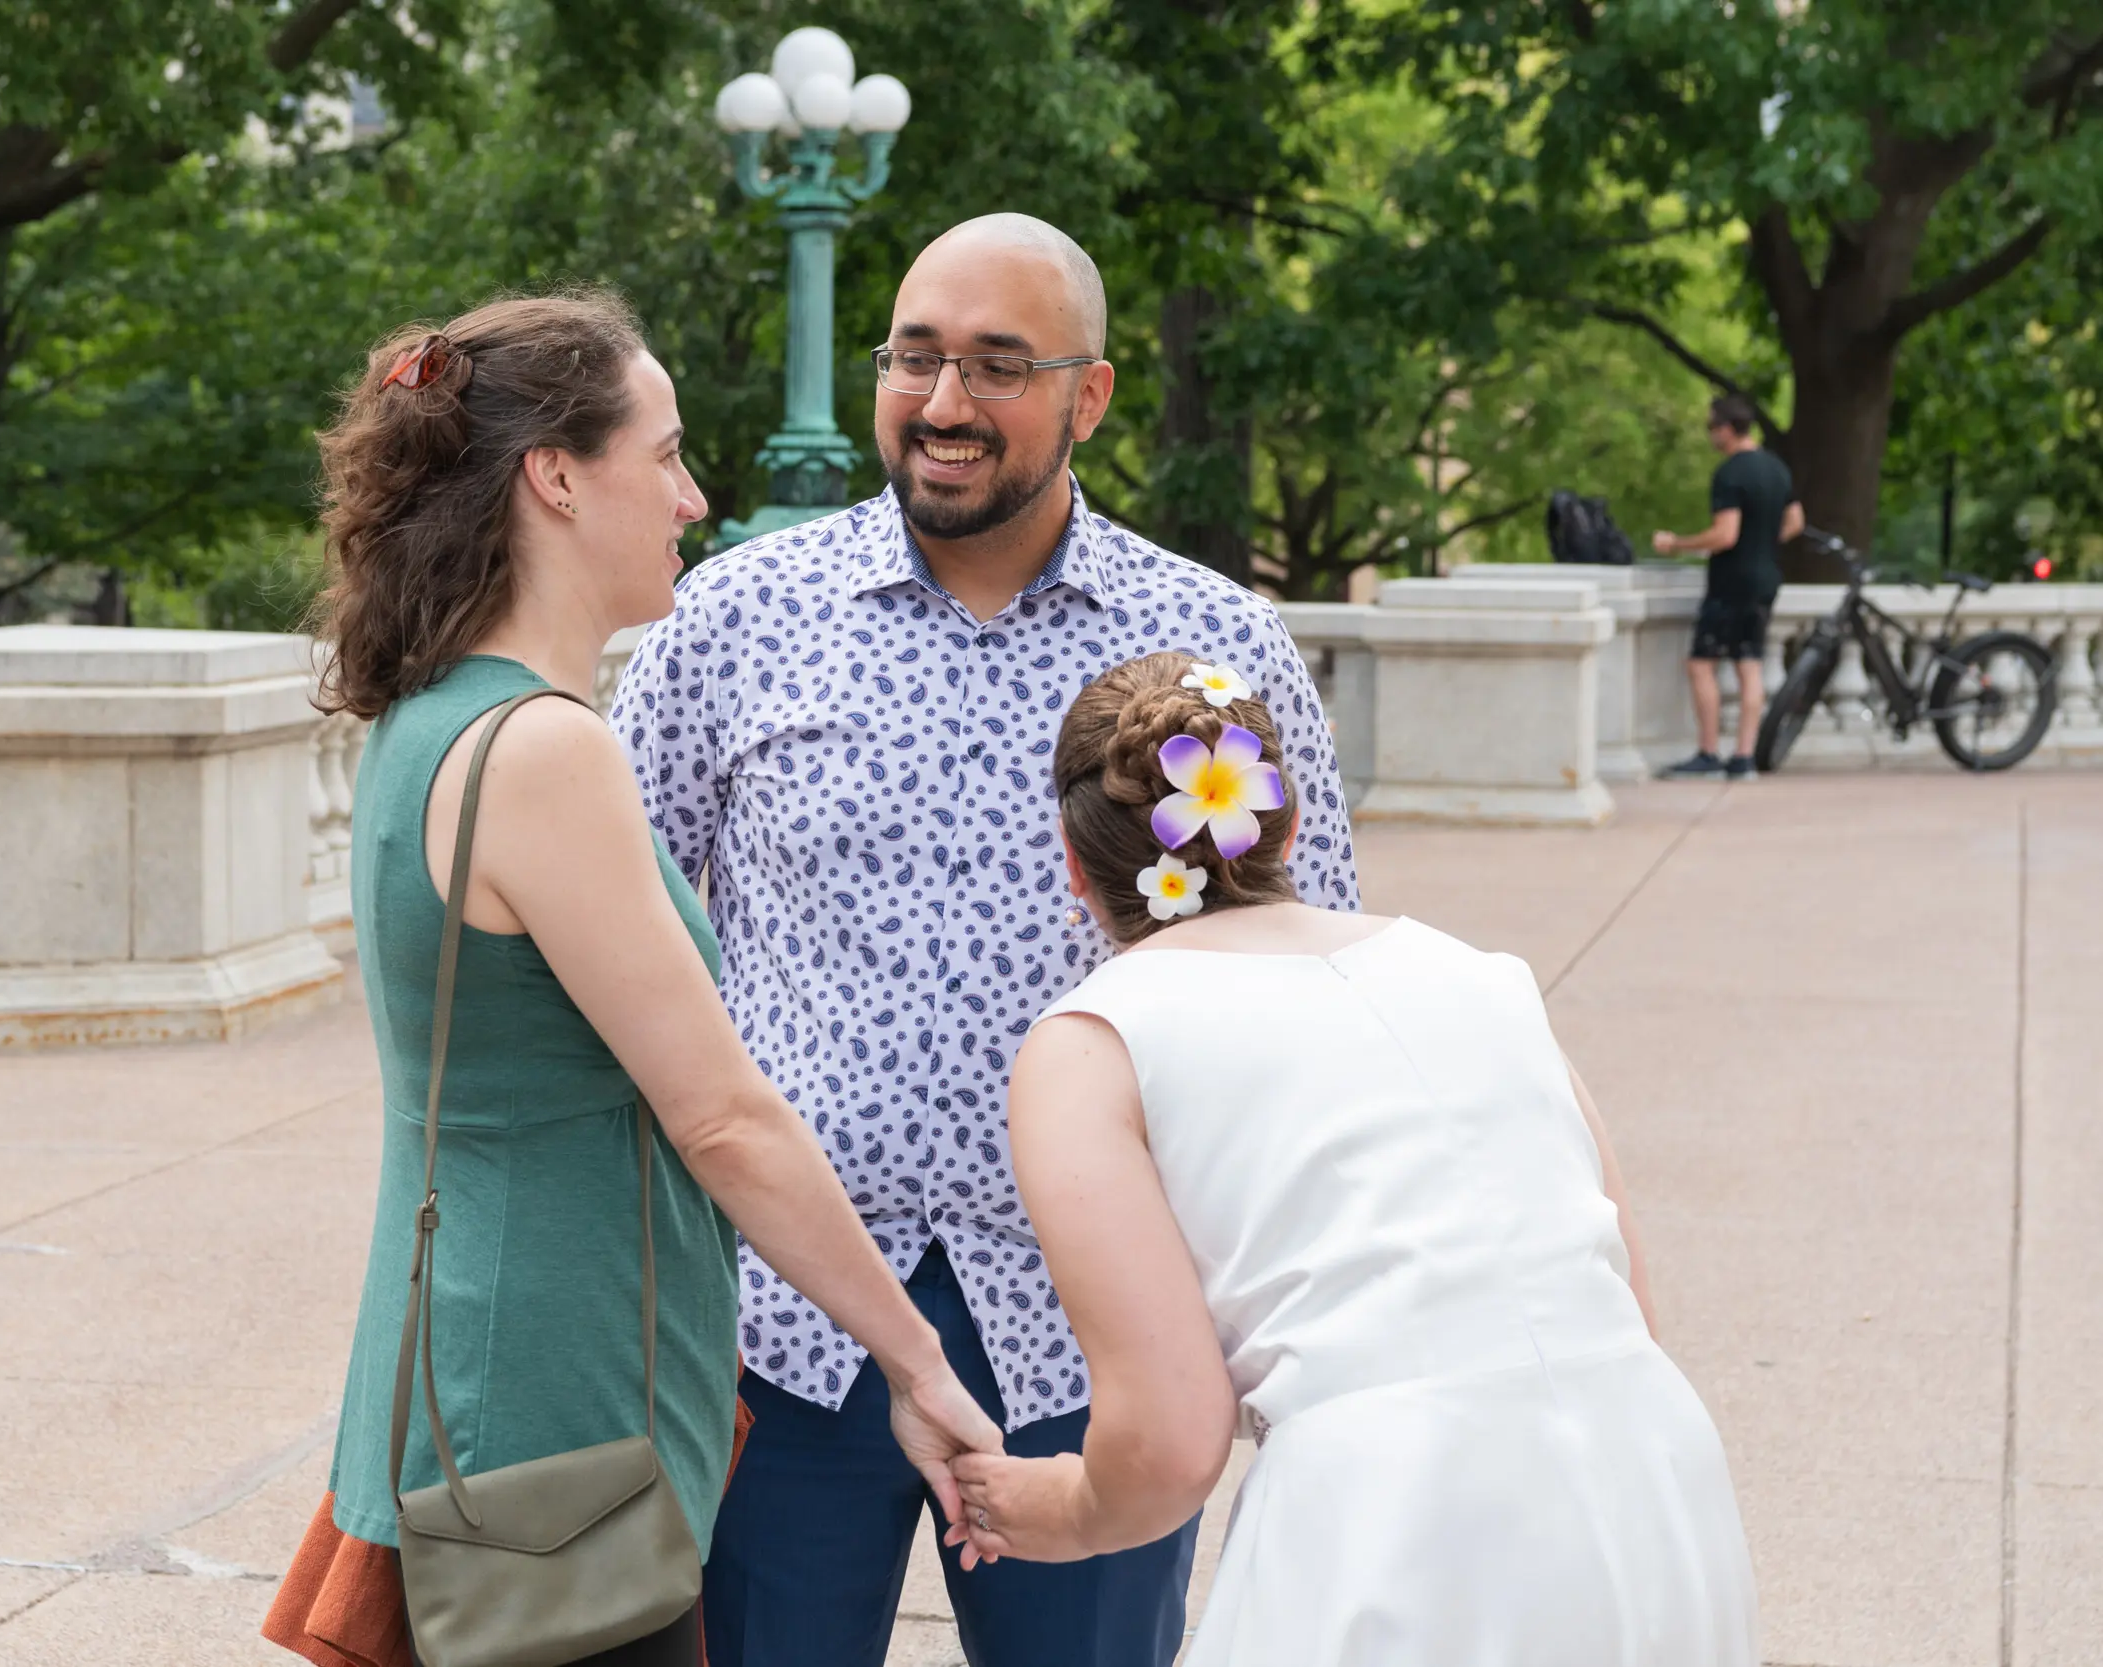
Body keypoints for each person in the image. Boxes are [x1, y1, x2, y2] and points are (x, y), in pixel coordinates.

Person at [610, 215, 1357, 1667]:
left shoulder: (1218, 648)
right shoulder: (736, 619)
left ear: (1090, 396)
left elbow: (1303, 985)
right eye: (915, 357)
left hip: (1098, 1326)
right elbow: (619, 924)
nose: (944, 403)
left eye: (998, 366)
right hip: (786, 1320)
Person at [265, 293, 1002, 1667]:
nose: (694, 494)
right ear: (554, 475)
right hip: (559, 1418)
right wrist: (916, 1359)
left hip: (479, 1384)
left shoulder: (432, 720)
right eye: (662, 455)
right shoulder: (545, 750)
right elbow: (723, 1115)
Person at [947, 650, 1760, 1666]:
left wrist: (1060, 1506)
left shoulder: (1092, 1040)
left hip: (1396, 1521)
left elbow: (1169, 1439)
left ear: (1074, 865)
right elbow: (1627, 1303)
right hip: (1652, 1481)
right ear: (1286, 826)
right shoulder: (1479, 975)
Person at [1652, 394, 1805, 778]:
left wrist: (1677, 543)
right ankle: (1743, 757)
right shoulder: (1777, 469)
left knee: (1701, 664)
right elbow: (1795, 522)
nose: (1709, 436)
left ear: (1725, 428)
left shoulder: (1731, 473)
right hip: (1767, 577)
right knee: (1750, 665)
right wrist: (1765, 542)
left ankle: (1707, 752)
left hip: (1731, 582)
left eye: (1710, 427)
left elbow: (1725, 535)